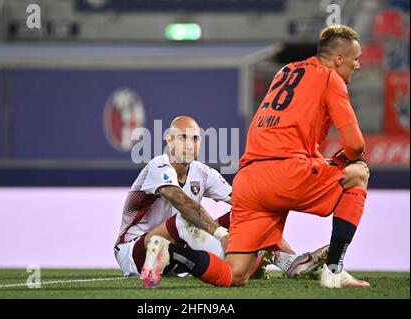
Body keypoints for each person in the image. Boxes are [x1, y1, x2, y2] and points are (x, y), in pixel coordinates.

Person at [142, 25, 371, 289]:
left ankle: (170, 252)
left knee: (235, 274)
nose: (359, 65)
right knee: (359, 173)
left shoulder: (285, 72)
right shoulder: (331, 79)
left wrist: (319, 160)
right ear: (338, 59)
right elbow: (356, 146)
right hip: (286, 174)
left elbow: (285, 130)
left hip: (249, 181)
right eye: (356, 59)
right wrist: (344, 159)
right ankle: (334, 270)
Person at [115, 116, 327, 281]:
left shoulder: (203, 172)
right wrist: (221, 233)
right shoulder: (158, 165)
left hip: (177, 251)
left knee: (252, 211)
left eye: (195, 138)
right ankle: (235, 259)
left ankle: (290, 262)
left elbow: (245, 205)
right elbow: (180, 200)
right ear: (169, 140)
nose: (190, 145)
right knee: (184, 218)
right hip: (135, 251)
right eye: (183, 137)